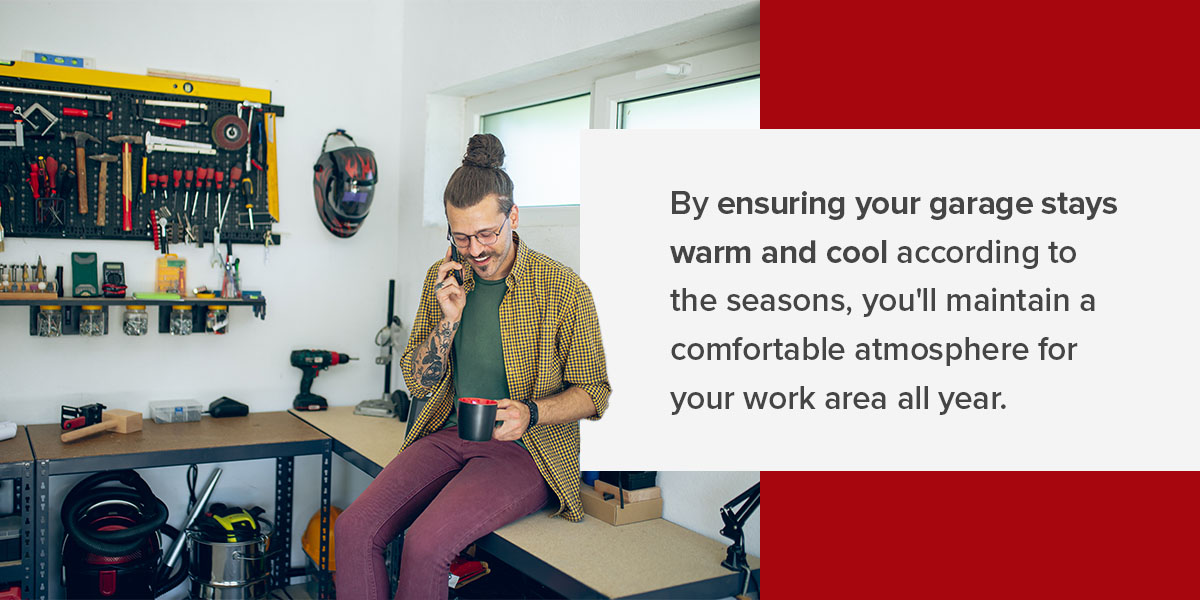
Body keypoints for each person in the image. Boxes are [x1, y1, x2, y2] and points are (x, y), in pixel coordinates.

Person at [335, 133, 611, 599]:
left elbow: (595, 392)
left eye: (487, 234)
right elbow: (416, 380)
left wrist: (532, 412)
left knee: (424, 545)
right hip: (448, 433)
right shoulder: (441, 279)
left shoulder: (564, 290)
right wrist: (448, 320)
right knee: (354, 528)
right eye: (461, 237)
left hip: (527, 451)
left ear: (513, 217)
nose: (476, 249)